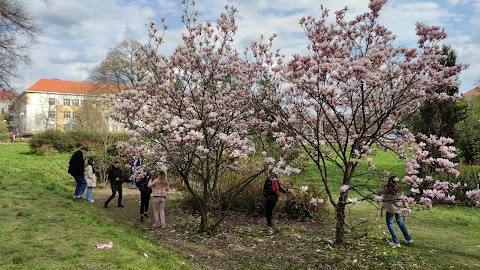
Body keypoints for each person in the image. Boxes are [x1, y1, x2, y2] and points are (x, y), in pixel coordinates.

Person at [378, 176, 413, 248]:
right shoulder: (399, 190)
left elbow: (379, 191)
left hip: (390, 208)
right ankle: (408, 238)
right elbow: (403, 199)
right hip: (399, 208)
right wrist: (406, 207)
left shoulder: (387, 189)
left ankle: (396, 242)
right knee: (400, 222)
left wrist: (382, 182)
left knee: (389, 223)